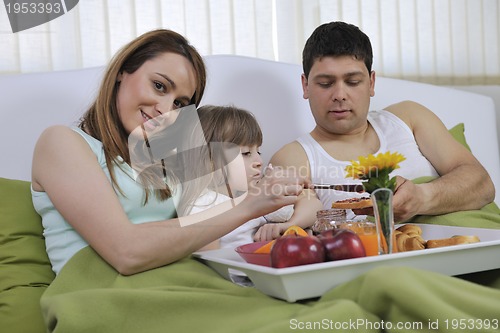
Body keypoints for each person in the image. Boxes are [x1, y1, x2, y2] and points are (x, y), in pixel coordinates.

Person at [31, 29, 309, 276]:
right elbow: (126, 252)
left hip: (176, 283)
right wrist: (249, 207)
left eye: (179, 103)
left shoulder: (165, 159)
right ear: (122, 71)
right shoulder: (62, 142)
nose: (165, 109)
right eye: (159, 85)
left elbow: (234, 195)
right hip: (102, 297)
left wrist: (289, 198)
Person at [270, 21, 495, 223]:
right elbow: (298, 233)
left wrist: (422, 198)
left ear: (372, 83)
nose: (339, 94)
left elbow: (482, 185)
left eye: (353, 81)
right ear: (305, 86)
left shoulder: (408, 117)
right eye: (326, 83)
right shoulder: (295, 158)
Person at [184, 105, 321, 250]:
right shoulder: (203, 205)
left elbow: (312, 204)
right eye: (246, 153)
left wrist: (289, 225)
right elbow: (209, 258)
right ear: (208, 160)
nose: (259, 162)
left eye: (259, 152)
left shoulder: (254, 192)